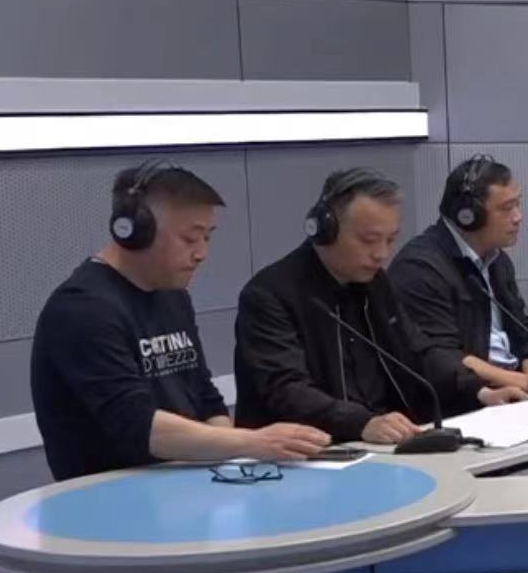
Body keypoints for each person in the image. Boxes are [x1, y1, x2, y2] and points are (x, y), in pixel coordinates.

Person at [29, 162, 330, 481]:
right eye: (190, 239)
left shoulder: (172, 296)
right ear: (135, 232)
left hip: (181, 485)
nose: (202, 253)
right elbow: (137, 425)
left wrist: (235, 463)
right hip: (110, 495)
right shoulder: (82, 309)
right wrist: (252, 442)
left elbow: (203, 396)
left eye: (207, 238)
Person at [234, 168, 525, 446]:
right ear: (324, 230)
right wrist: (362, 423)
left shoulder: (375, 284)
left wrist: (480, 392)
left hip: (384, 444)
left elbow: (418, 352)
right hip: (309, 453)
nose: (381, 254)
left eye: (390, 240)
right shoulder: (270, 295)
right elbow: (287, 390)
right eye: (369, 240)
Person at [391, 154, 528, 396]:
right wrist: (524, 382)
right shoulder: (419, 269)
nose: (518, 217)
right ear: (469, 215)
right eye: (507, 208)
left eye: (518, 204)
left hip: (514, 391)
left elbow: (523, 331)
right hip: (466, 400)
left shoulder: (497, 259)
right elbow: (443, 356)